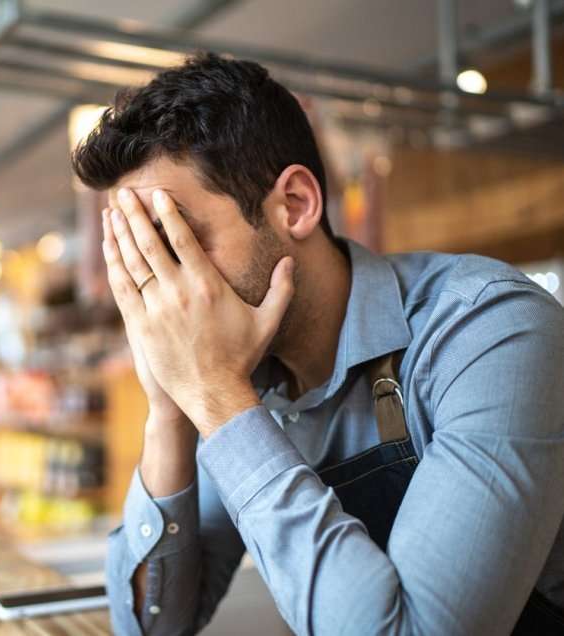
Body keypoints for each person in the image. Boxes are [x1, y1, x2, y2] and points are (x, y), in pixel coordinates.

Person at [71, 53, 564, 635]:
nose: (167, 290)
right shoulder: (235, 371)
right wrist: (168, 412)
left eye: (177, 239)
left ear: (295, 205)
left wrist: (220, 400)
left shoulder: (487, 329)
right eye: (143, 257)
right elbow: (150, 628)